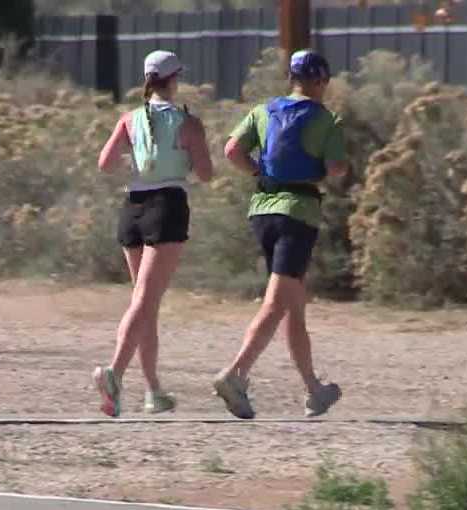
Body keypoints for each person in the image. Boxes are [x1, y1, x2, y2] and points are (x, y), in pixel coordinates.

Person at [213, 49, 347, 419]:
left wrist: (258, 173)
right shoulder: (326, 119)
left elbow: (231, 151)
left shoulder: (263, 111)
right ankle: (234, 374)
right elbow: (336, 168)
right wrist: (324, 164)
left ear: (291, 78)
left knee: (293, 306)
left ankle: (314, 390)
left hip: (263, 213)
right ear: (321, 80)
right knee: (276, 303)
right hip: (298, 214)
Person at [93, 50, 213, 417]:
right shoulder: (187, 122)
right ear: (174, 79)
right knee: (145, 301)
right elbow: (206, 173)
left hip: (133, 207)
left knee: (146, 304)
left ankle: (153, 391)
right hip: (168, 207)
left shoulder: (129, 119)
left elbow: (106, 163)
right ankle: (114, 371)